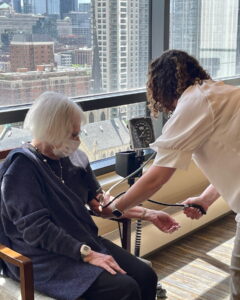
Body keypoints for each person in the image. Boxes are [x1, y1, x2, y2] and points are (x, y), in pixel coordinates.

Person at [0, 91, 180, 300]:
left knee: (146, 275)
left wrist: (149, 214)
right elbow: (37, 231)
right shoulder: (22, 168)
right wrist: (87, 254)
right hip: (42, 256)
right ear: (52, 132)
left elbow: (102, 206)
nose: (78, 140)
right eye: (73, 135)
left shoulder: (73, 158)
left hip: (80, 240)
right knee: (124, 288)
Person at [102, 49, 240, 300]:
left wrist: (115, 208)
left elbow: (157, 177)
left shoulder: (194, 102)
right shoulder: (218, 93)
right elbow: (233, 159)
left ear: (160, 87)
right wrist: (205, 199)